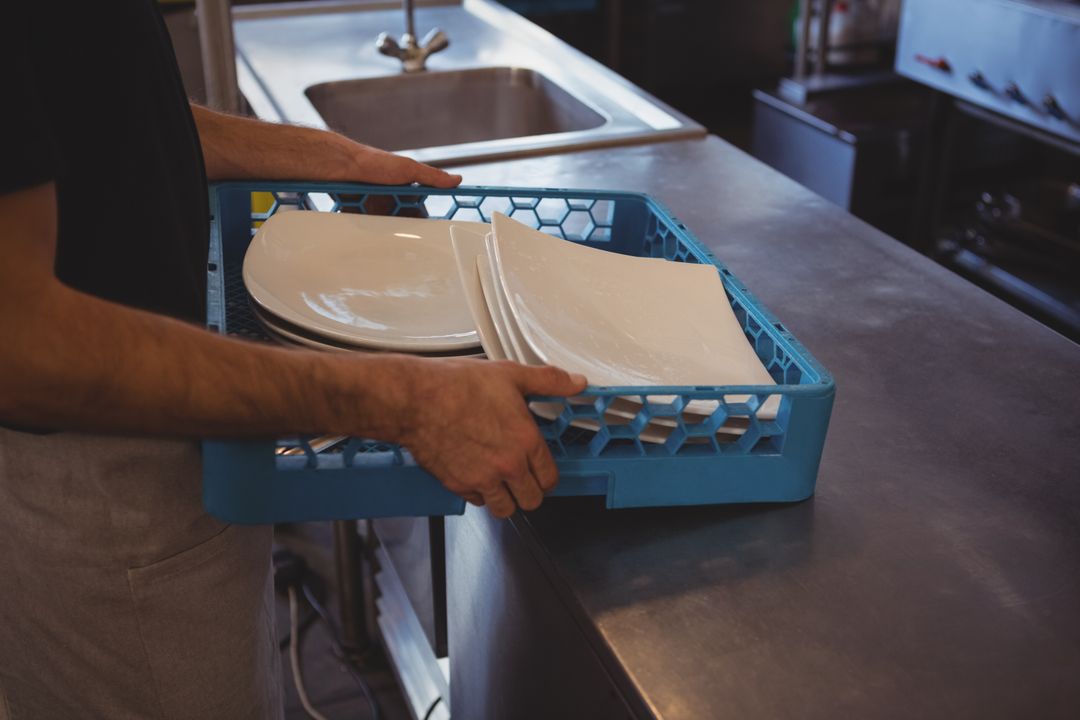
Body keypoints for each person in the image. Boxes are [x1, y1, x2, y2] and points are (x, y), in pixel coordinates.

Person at [0, 2, 585, 718]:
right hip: (102, 481)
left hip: (168, 433)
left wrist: (339, 161)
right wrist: (407, 400)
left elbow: (97, 110)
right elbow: (22, 344)